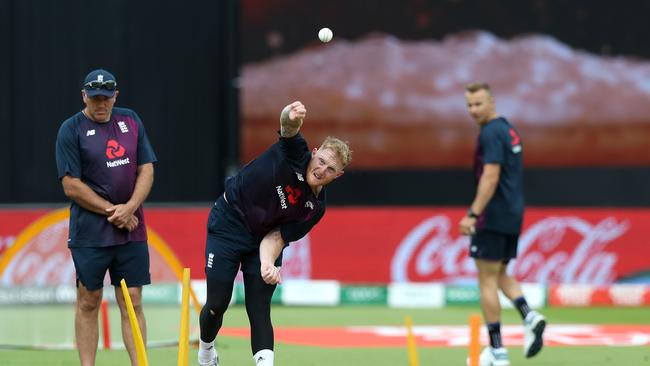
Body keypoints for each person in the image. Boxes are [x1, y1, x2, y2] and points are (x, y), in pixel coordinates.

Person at [197, 101, 351, 366]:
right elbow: (288, 127)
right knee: (218, 302)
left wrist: (267, 263)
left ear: (338, 176)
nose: (322, 170)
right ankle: (206, 351)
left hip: (263, 238)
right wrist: (289, 115)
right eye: (322, 161)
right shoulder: (295, 153)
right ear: (314, 153)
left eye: (331, 170)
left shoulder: (314, 209)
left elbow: (278, 237)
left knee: (258, 309)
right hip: (229, 223)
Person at [55, 69, 157, 366]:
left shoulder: (131, 121)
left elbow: (146, 169)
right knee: (88, 300)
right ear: (83, 96)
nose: (101, 104)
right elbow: (71, 185)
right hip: (90, 233)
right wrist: (115, 211)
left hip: (131, 230)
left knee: (133, 300)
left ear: (116, 97)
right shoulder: (70, 129)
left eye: (106, 98)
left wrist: (130, 207)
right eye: (95, 98)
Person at [459, 82, 546, 366]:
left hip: (492, 215)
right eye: (469, 105)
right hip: (512, 214)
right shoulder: (508, 128)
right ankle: (530, 317)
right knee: (500, 274)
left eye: (478, 104)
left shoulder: (490, 133)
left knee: (485, 279)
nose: (473, 110)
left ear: (492, 102)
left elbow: (490, 177)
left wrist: (473, 213)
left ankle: (498, 350)